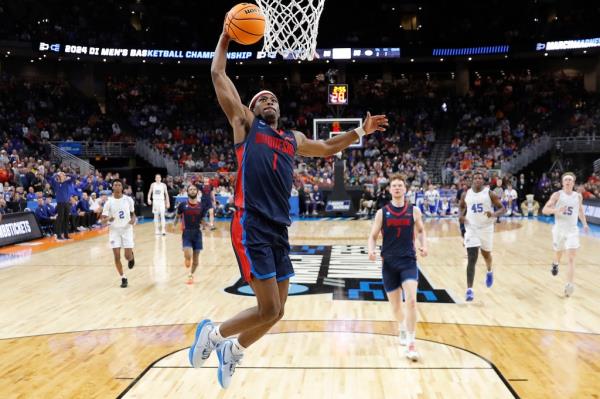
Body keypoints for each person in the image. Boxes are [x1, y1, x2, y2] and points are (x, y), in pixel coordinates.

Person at [188, 25, 388, 390]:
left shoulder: (292, 139)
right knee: (266, 309)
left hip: (279, 229)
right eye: (261, 98)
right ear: (249, 109)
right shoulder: (246, 126)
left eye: (273, 99)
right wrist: (225, 37)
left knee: (278, 312)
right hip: (252, 224)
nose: (269, 101)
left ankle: (234, 349)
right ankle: (213, 334)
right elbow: (218, 73)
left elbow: (327, 148)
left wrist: (362, 131)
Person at [367, 175, 427, 361]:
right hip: (389, 263)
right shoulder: (382, 213)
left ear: (405, 189)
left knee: (411, 301)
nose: (397, 188)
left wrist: (424, 245)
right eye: (394, 186)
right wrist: (371, 250)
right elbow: (373, 236)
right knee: (395, 306)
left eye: (400, 185)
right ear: (390, 190)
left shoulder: (414, 211)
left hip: (408, 261)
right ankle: (401, 326)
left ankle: (411, 343)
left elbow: (422, 230)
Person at [458, 171, 506, 301]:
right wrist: (461, 216)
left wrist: (494, 214)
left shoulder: (490, 193)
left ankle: (489, 270)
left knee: (486, 254)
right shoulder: (466, 194)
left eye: (480, 178)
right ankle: (469, 290)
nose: (478, 179)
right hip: (472, 228)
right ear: (472, 180)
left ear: (483, 180)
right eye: (476, 178)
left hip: (486, 228)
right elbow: (461, 207)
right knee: (472, 258)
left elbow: (503, 208)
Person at [542, 172, 589, 297]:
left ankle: (569, 285)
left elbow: (580, 211)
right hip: (559, 230)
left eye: (570, 180)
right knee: (558, 252)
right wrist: (556, 210)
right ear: (563, 183)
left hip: (572, 230)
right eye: (566, 180)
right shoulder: (557, 195)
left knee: (571, 257)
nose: (568, 181)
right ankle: (555, 264)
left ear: (573, 183)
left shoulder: (578, 196)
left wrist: (584, 223)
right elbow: (544, 210)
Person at [101, 180, 136, 288]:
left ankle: (131, 257)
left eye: (119, 185)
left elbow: (133, 214)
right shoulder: (108, 202)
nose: (117, 186)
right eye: (115, 185)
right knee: (116, 256)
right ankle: (123, 278)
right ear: (112, 187)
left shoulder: (128, 200)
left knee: (127, 256)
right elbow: (102, 221)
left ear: (122, 187)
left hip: (127, 229)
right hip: (114, 231)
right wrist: (108, 218)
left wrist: (133, 219)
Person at [174, 184, 208, 284]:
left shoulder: (202, 206)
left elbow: (201, 219)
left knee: (196, 261)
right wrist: (174, 224)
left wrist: (206, 225)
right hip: (187, 232)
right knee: (188, 254)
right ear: (187, 192)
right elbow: (177, 215)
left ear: (197, 192)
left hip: (197, 233)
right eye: (190, 189)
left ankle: (191, 275)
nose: (192, 191)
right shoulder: (182, 205)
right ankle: (186, 257)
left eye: (194, 189)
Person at [50, 171, 75, 240]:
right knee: (60, 219)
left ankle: (66, 235)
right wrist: (57, 174)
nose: (62, 177)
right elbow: (51, 178)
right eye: (61, 176)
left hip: (67, 203)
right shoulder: (56, 183)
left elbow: (73, 177)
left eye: (63, 176)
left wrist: (66, 173)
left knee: (66, 219)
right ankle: (58, 235)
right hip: (60, 204)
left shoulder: (67, 182)